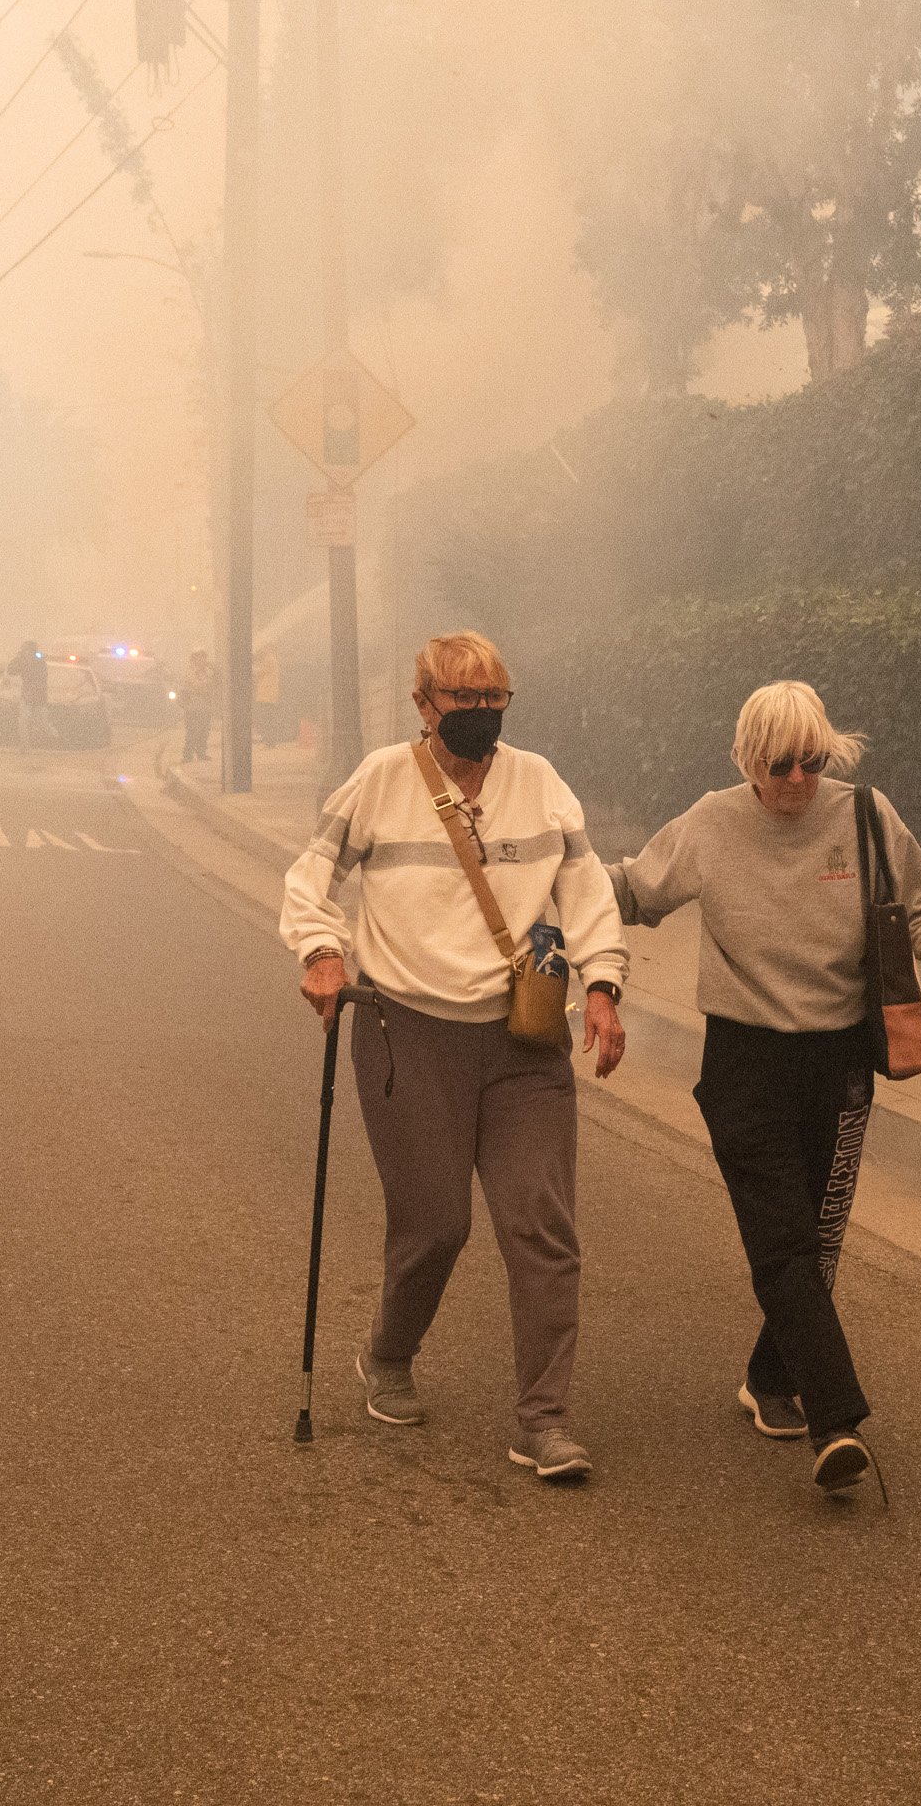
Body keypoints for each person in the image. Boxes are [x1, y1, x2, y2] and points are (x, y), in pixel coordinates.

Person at [611, 680, 921, 1497]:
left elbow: (920, 912)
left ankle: (768, 1379)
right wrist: (543, 879)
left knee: (817, 1242)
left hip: (841, 1060)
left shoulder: (864, 815)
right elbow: (631, 893)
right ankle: (836, 1420)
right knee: (782, 1243)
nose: (796, 781)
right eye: (779, 765)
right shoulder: (711, 823)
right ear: (749, 759)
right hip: (746, 1062)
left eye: (811, 763)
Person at [279, 631, 629, 1482]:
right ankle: (389, 1355)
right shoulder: (381, 781)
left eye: (493, 701)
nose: (478, 716)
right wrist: (322, 951)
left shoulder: (540, 784)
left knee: (541, 1228)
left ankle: (543, 1421)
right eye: (460, 702)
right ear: (423, 704)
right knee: (437, 1224)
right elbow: (309, 877)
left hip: (520, 1042)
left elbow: (585, 894)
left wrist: (603, 985)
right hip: (409, 1034)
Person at [7, 640, 50, 750]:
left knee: (43, 724)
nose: (27, 652)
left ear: (33, 650)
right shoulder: (21, 660)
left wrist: (28, 661)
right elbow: (11, 671)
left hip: (39, 698)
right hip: (26, 697)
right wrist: (19, 659)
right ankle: (24, 746)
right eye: (25, 649)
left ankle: (49, 742)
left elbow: (41, 677)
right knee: (23, 721)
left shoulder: (39, 660)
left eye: (29, 649)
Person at [180, 649, 218, 763]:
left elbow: (218, 680)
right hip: (193, 707)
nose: (203, 660)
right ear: (194, 659)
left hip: (205, 706)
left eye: (204, 658)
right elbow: (197, 686)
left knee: (204, 731)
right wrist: (209, 683)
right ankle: (188, 755)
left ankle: (201, 753)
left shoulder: (207, 672)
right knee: (192, 731)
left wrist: (211, 669)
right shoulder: (190, 671)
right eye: (199, 658)